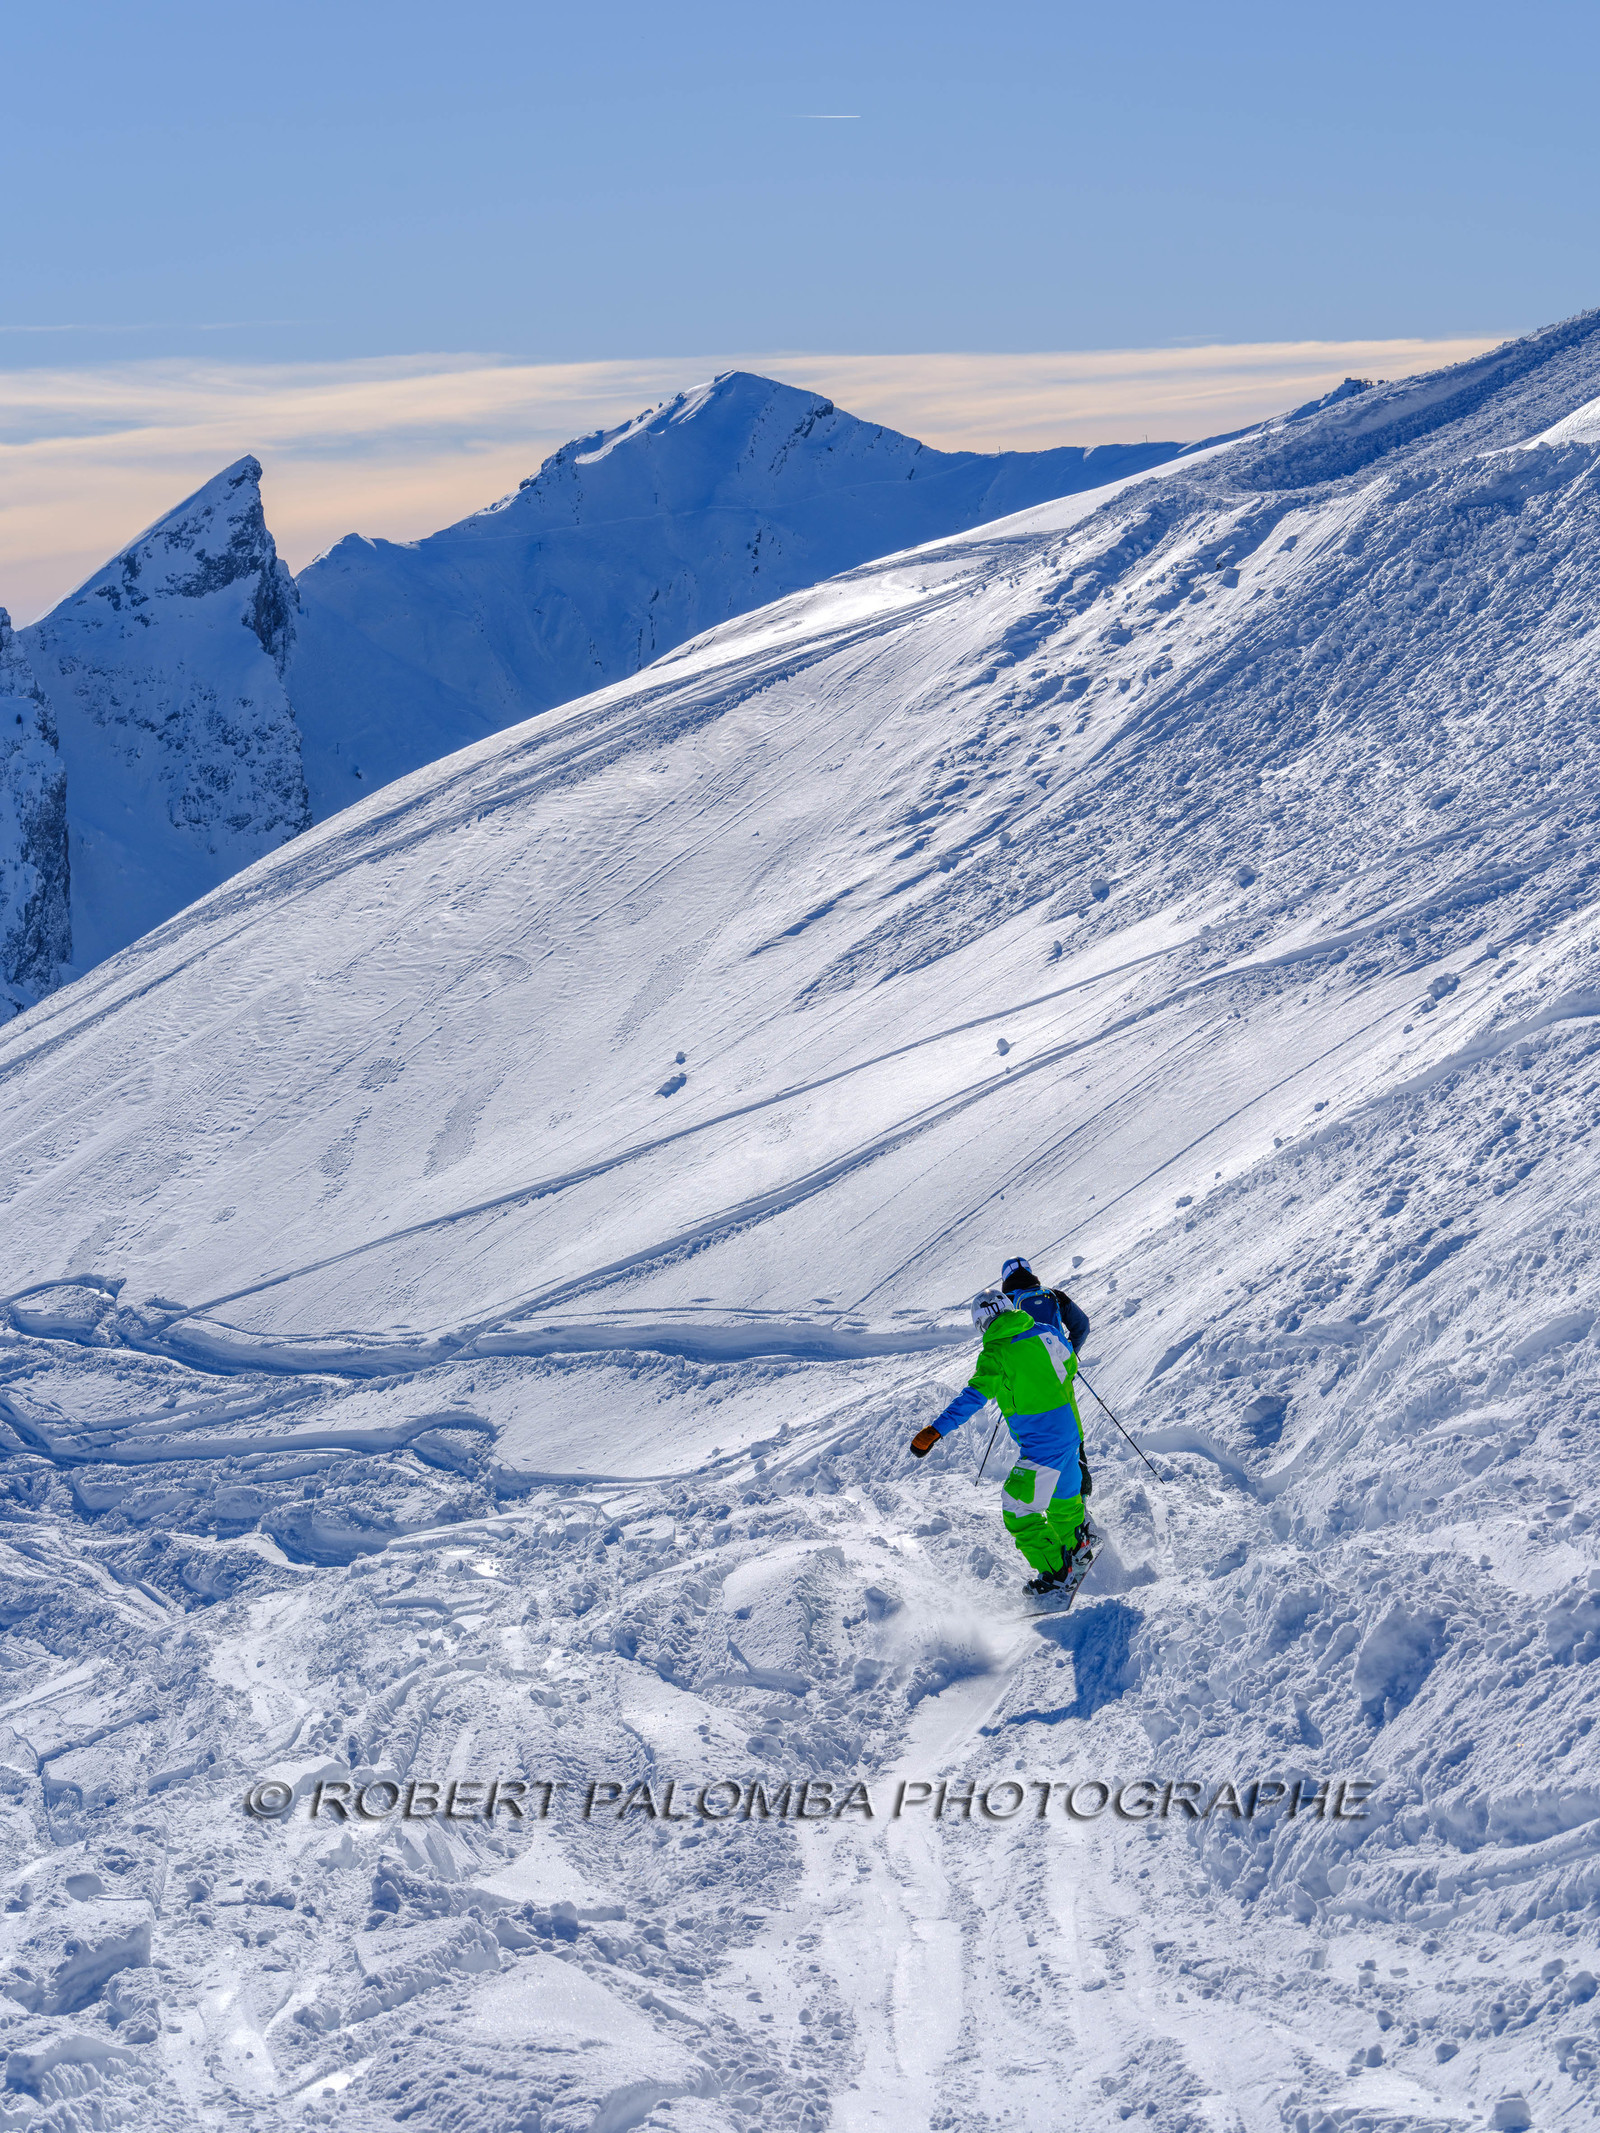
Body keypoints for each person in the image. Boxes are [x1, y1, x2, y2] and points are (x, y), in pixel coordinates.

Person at [909, 1262, 1096, 1596]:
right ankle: (1076, 1546)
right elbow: (1069, 1364)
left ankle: (1057, 1574)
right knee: (1063, 1505)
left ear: (982, 1324)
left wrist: (934, 1432)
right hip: (1070, 1434)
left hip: (1042, 1447)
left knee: (1016, 1507)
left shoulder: (995, 1355)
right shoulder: (1048, 1333)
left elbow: (971, 1399)